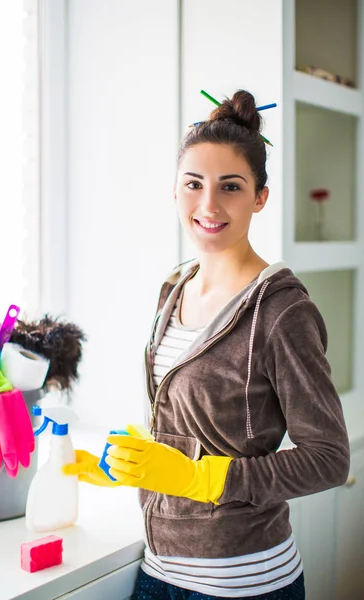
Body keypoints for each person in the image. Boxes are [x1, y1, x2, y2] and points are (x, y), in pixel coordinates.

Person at [63, 90, 350, 599]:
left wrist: (207, 480)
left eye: (231, 187)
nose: (209, 205)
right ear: (174, 192)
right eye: (193, 184)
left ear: (260, 197)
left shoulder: (281, 311)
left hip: (244, 582)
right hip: (160, 571)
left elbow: (328, 458)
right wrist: (131, 464)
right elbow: (196, 427)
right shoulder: (173, 288)